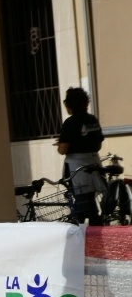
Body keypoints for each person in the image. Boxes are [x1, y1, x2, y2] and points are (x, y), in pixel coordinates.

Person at [57, 87, 106, 225]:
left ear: (69, 105)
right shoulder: (92, 120)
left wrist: (60, 145)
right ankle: (94, 223)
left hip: (77, 166)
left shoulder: (70, 122)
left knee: (82, 202)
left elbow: (63, 149)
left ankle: (85, 229)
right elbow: (98, 144)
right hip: (94, 163)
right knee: (90, 200)